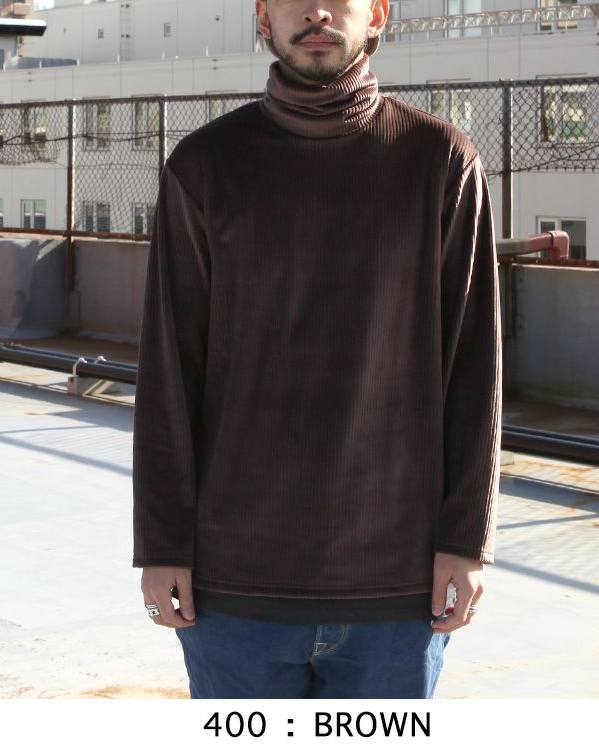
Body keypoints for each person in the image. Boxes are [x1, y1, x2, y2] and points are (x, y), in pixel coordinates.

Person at [133, 0, 501, 700]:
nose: (317, 11)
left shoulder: (441, 161)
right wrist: (161, 545)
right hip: (231, 589)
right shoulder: (204, 166)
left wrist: (466, 539)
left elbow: (475, 368)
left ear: (378, 13)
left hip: (398, 590)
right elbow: (168, 373)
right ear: (263, 17)